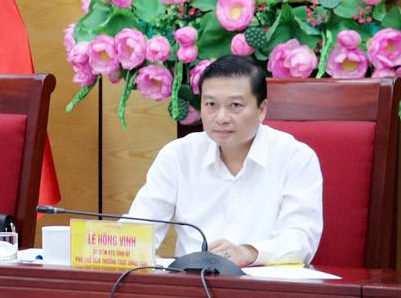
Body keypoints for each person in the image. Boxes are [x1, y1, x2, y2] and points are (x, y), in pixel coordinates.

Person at [128, 55, 322, 266]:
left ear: (262, 109)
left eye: (235, 105)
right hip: (192, 288)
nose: (221, 117)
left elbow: (302, 240)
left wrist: (249, 253)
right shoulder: (178, 156)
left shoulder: (296, 158)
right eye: (211, 104)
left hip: (264, 289)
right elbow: (140, 228)